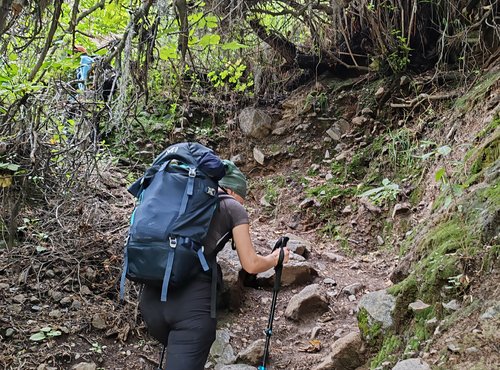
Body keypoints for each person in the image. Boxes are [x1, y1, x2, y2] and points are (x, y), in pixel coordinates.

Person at [139, 160, 290, 370]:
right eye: (241, 197)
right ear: (229, 189)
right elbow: (251, 265)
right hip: (190, 310)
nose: (242, 203)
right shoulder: (231, 206)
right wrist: (276, 258)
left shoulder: (177, 202)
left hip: (150, 303)